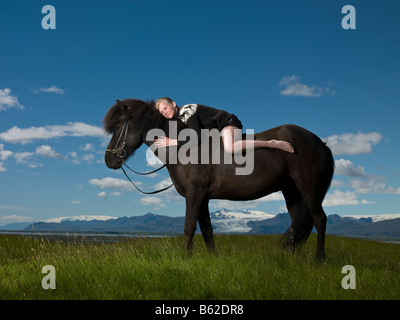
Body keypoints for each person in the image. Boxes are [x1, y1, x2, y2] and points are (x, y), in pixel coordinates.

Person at [153, 97, 294, 154]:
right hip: (219, 131)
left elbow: (196, 138)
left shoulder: (186, 111)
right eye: (161, 112)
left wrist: (170, 142)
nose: (164, 112)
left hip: (229, 123)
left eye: (165, 108)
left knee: (230, 148)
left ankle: (272, 144)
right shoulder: (180, 118)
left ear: (173, 104)